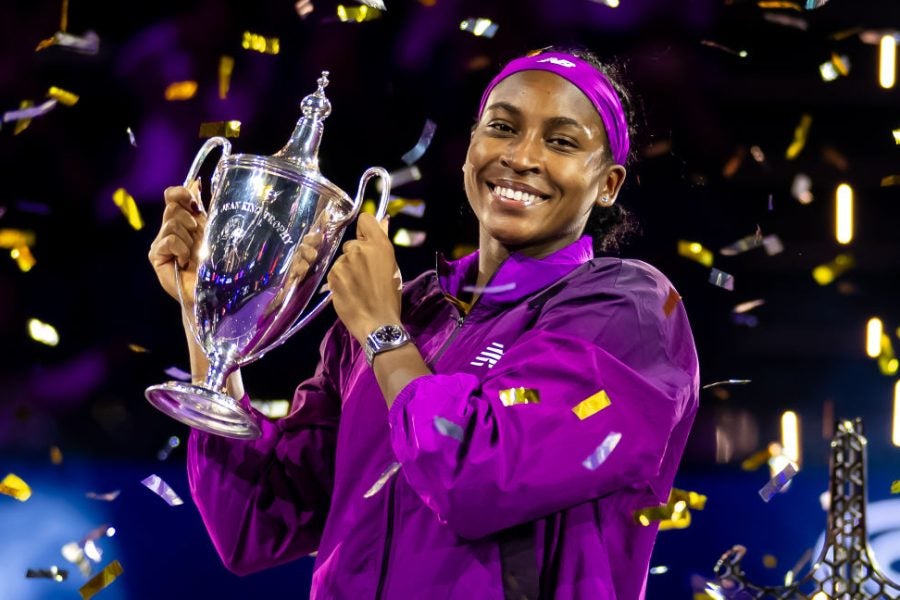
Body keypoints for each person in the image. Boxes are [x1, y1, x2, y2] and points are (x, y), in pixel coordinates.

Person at [148, 46, 699, 599]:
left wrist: (385, 336)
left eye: (560, 141)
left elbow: (477, 476)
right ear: (469, 150)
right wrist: (209, 312)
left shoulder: (626, 311)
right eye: (502, 128)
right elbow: (255, 526)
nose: (522, 156)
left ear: (607, 184)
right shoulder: (403, 309)